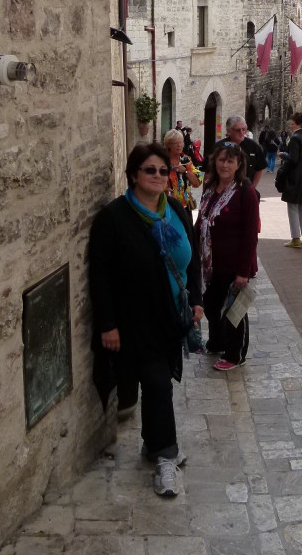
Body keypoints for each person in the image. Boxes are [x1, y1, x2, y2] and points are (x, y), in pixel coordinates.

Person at [88, 142, 203, 498]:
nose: (157, 176)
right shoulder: (114, 218)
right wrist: (107, 324)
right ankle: (166, 456)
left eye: (162, 171)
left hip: (171, 315)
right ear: (134, 174)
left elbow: (193, 258)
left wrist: (196, 302)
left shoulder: (176, 212)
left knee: (160, 379)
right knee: (157, 383)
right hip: (134, 318)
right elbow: (101, 275)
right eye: (149, 170)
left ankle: (153, 444)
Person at [196, 142, 259, 371]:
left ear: (238, 164)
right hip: (210, 263)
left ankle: (235, 354)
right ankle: (217, 341)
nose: (225, 164)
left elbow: (251, 234)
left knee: (234, 311)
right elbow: (202, 220)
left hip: (233, 264)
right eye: (221, 159)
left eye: (230, 161)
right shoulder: (210, 186)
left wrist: (243, 272)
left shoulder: (245, 191)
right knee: (212, 305)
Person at [278, 112, 302, 248]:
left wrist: (283, 155)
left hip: (295, 176)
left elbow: (293, 159)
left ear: (299, 124)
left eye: (293, 123)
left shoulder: (295, 138)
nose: (291, 125)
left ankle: (295, 238)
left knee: (292, 207)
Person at [220, 115, 266, 189]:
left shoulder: (253, 146)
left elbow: (259, 168)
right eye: (238, 130)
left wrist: (253, 187)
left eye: (243, 129)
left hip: (245, 191)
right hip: (223, 191)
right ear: (229, 131)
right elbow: (208, 172)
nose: (242, 133)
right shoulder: (219, 147)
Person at [163, 128, 201, 210]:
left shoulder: (186, 160)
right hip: (167, 207)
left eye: (181, 142)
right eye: (175, 143)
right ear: (168, 145)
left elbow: (197, 183)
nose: (179, 145)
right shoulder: (162, 162)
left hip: (185, 207)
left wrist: (185, 171)